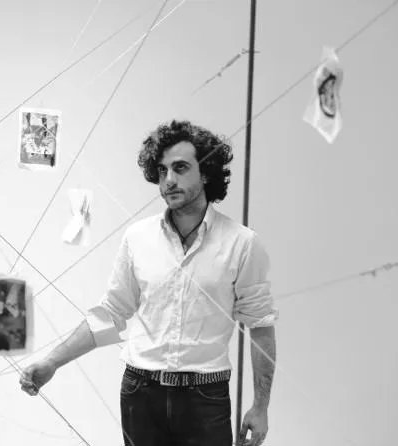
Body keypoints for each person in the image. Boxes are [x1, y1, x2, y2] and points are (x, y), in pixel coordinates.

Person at [19, 120, 278, 446]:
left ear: (207, 172)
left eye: (180, 168)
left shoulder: (242, 243)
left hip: (205, 397)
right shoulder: (138, 237)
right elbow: (111, 314)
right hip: (140, 394)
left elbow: (261, 327)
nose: (169, 180)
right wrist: (50, 362)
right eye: (161, 170)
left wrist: (261, 406)